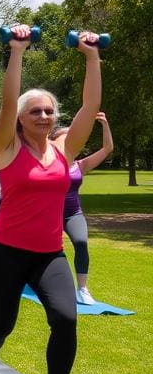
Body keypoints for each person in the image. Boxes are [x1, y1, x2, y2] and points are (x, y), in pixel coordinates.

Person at [0, 26, 103, 374]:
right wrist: (17, 51)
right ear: (22, 119)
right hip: (6, 250)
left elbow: (90, 105)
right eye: (36, 111)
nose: (44, 116)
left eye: (49, 111)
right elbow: (8, 102)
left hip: (49, 254)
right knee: (2, 324)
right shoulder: (8, 148)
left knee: (65, 319)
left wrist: (92, 56)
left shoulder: (65, 150)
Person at [49, 112, 114, 305]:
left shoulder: (80, 165)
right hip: (47, 214)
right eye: (65, 139)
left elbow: (108, 148)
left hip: (72, 213)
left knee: (81, 242)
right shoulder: (46, 163)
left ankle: (82, 288)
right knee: (44, 250)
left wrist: (104, 124)